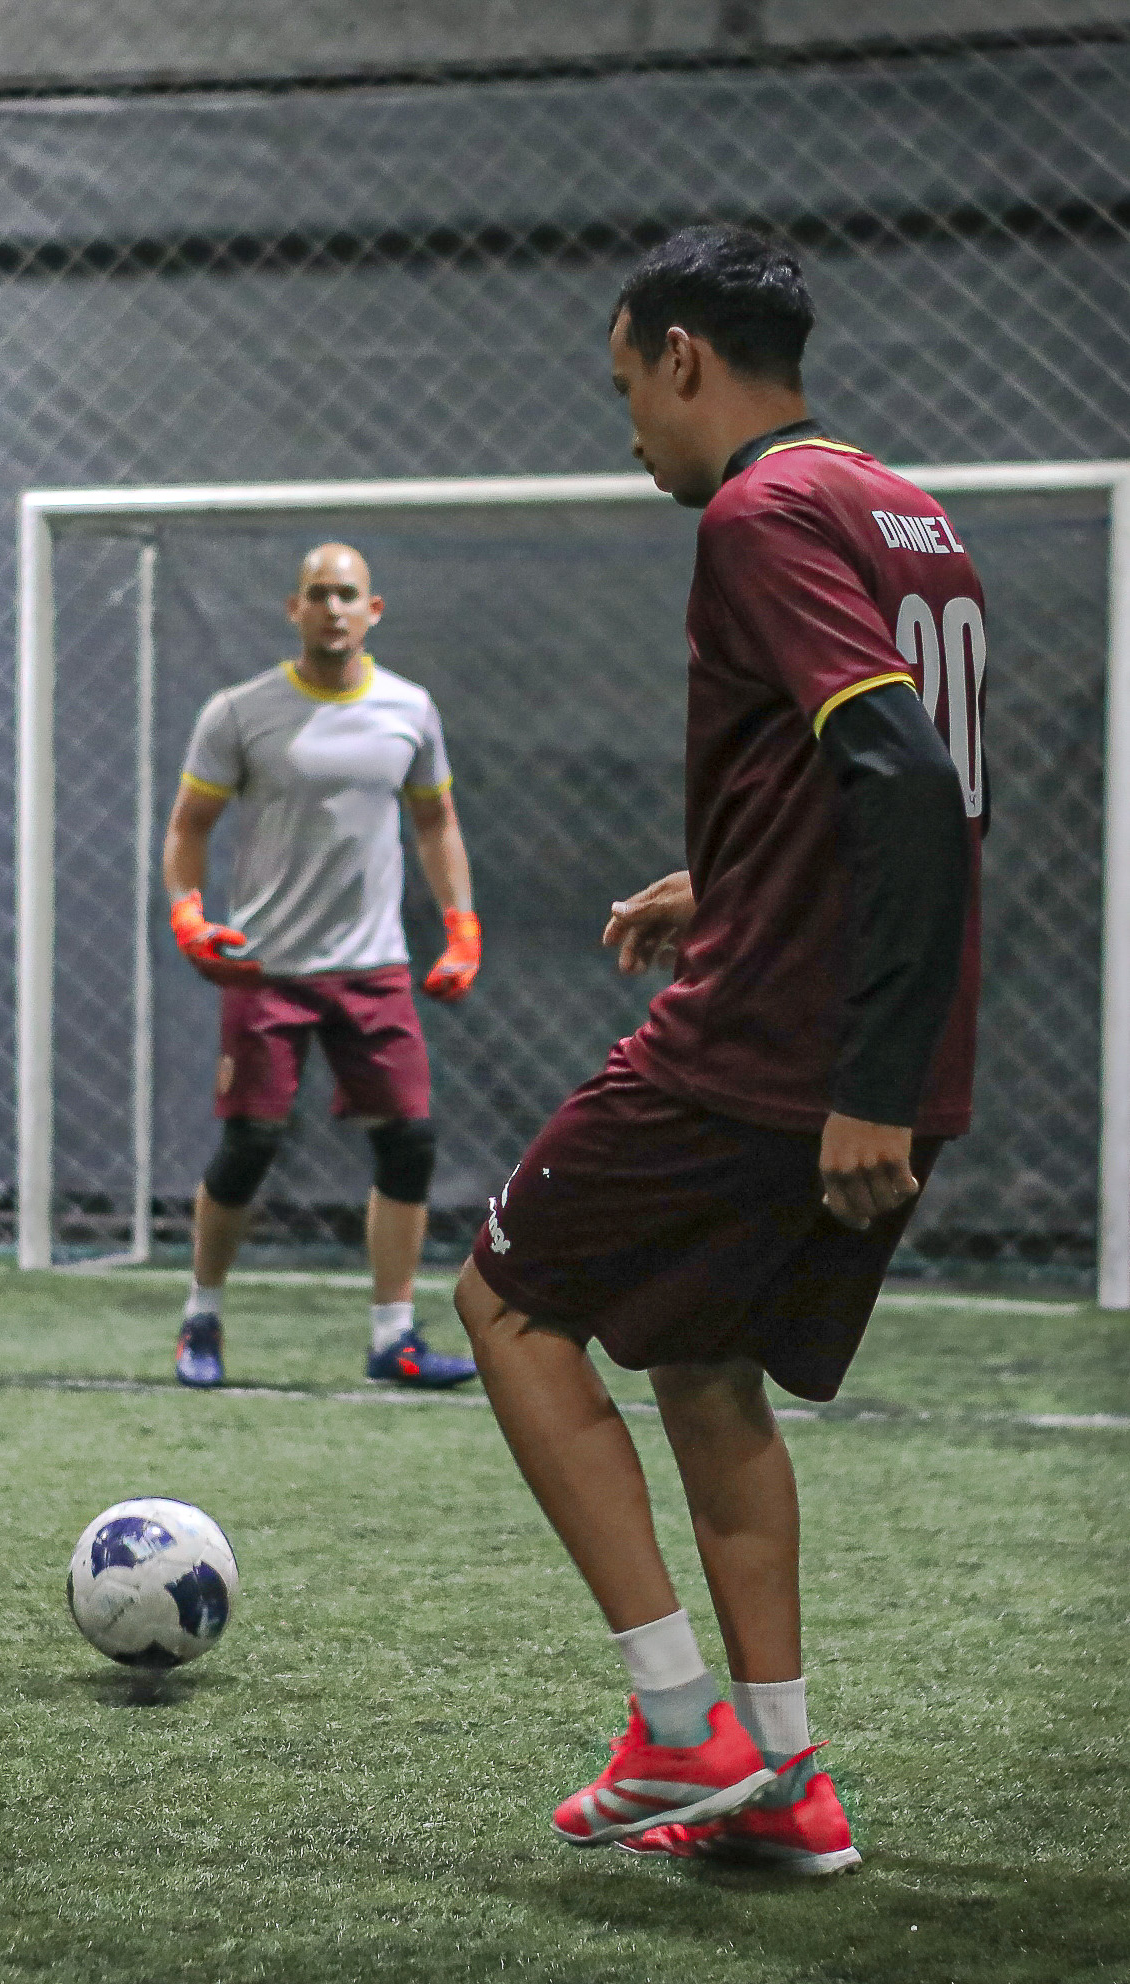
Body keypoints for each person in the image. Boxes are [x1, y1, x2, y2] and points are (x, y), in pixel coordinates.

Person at [454, 224, 984, 1874]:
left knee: (503, 1300)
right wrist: (735, 875)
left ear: (680, 355)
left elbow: (903, 781)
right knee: (698, 1359)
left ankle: (677, 1721)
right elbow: (900, 773)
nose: (628, 428)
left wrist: (862, 1081)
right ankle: (784, 1779)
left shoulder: (757, 512)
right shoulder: (901, 507)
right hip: (872, 1039)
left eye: (624, 386)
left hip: (774, 1051)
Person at [165, 541, 481, 1391]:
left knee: (409, 1144)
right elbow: (188, 826)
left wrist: (461, 927)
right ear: (293, 609)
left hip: (373, 968)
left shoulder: (409, 709)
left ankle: (394, 1336)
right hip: (266, 968)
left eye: (347, 594)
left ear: (372, 611)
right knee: (249, 1145)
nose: (332, 608)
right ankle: (201, 1317)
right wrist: (188, 914)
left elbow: (435, 822)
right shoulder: (239, 712)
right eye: (318, 594)